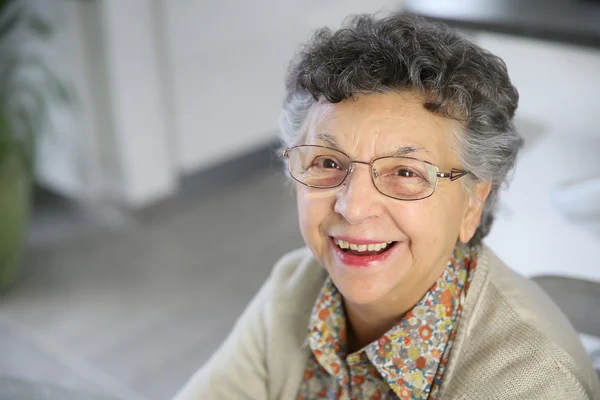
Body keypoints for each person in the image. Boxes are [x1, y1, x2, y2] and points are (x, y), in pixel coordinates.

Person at [175, 12, 600, 400]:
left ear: (473, 201)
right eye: (327, 162)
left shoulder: (532, 383)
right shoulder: (294, 285)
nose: (354, 208)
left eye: (406, 172)